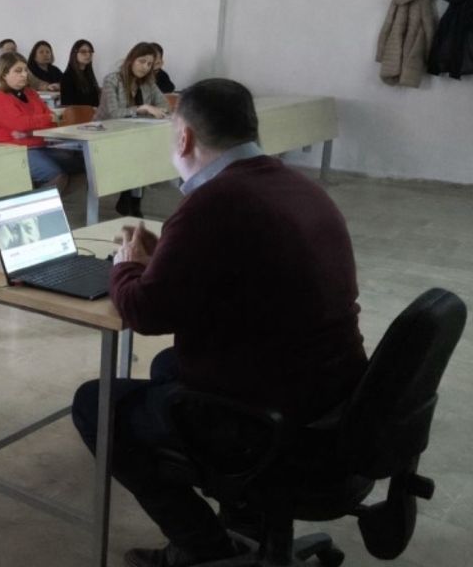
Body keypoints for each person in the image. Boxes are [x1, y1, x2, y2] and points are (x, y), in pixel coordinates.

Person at [71, 78, 366, 567]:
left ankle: (203, 548)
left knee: (95, 404)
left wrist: (125, 266)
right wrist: (164, 260)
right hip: (335, 397)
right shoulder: (296, 185)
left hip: (273, 417)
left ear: (184, 137)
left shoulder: (213, 203)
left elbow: (144, 312)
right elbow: (235, 273)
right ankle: (247, 518)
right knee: (167, 366)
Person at [0, 51, 79, 188]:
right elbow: (21, 124)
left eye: (25, 70)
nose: (24, 74)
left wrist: (31, 129)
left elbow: (53, 120)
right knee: (57, 176)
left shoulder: (31, 93)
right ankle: (31, 201)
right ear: (4, 74)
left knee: (81, 163)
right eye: (18, 71)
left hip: (40, 145)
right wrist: (44, 120)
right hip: (14, 151)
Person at [99, 42, 173, 218]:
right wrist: (142, 108)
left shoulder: (148, 83)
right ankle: (130, 200)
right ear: (131, 59)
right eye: (142, 61)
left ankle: (133, 202)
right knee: (139, 150)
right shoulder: (112, 80)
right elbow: (114, 113)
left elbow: (165, 105)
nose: (145, 67)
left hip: (133, 135)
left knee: (144, 149)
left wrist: (154, 109)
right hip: (106, 133)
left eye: (149, 64)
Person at [60, 39, 100, 107]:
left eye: (90, 52)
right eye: (83, 52)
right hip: (77, 113)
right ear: (74, 54)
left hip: (93, 112)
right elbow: (68, 105)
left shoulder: (89, 75)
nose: (88, 55)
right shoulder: (67, 77)